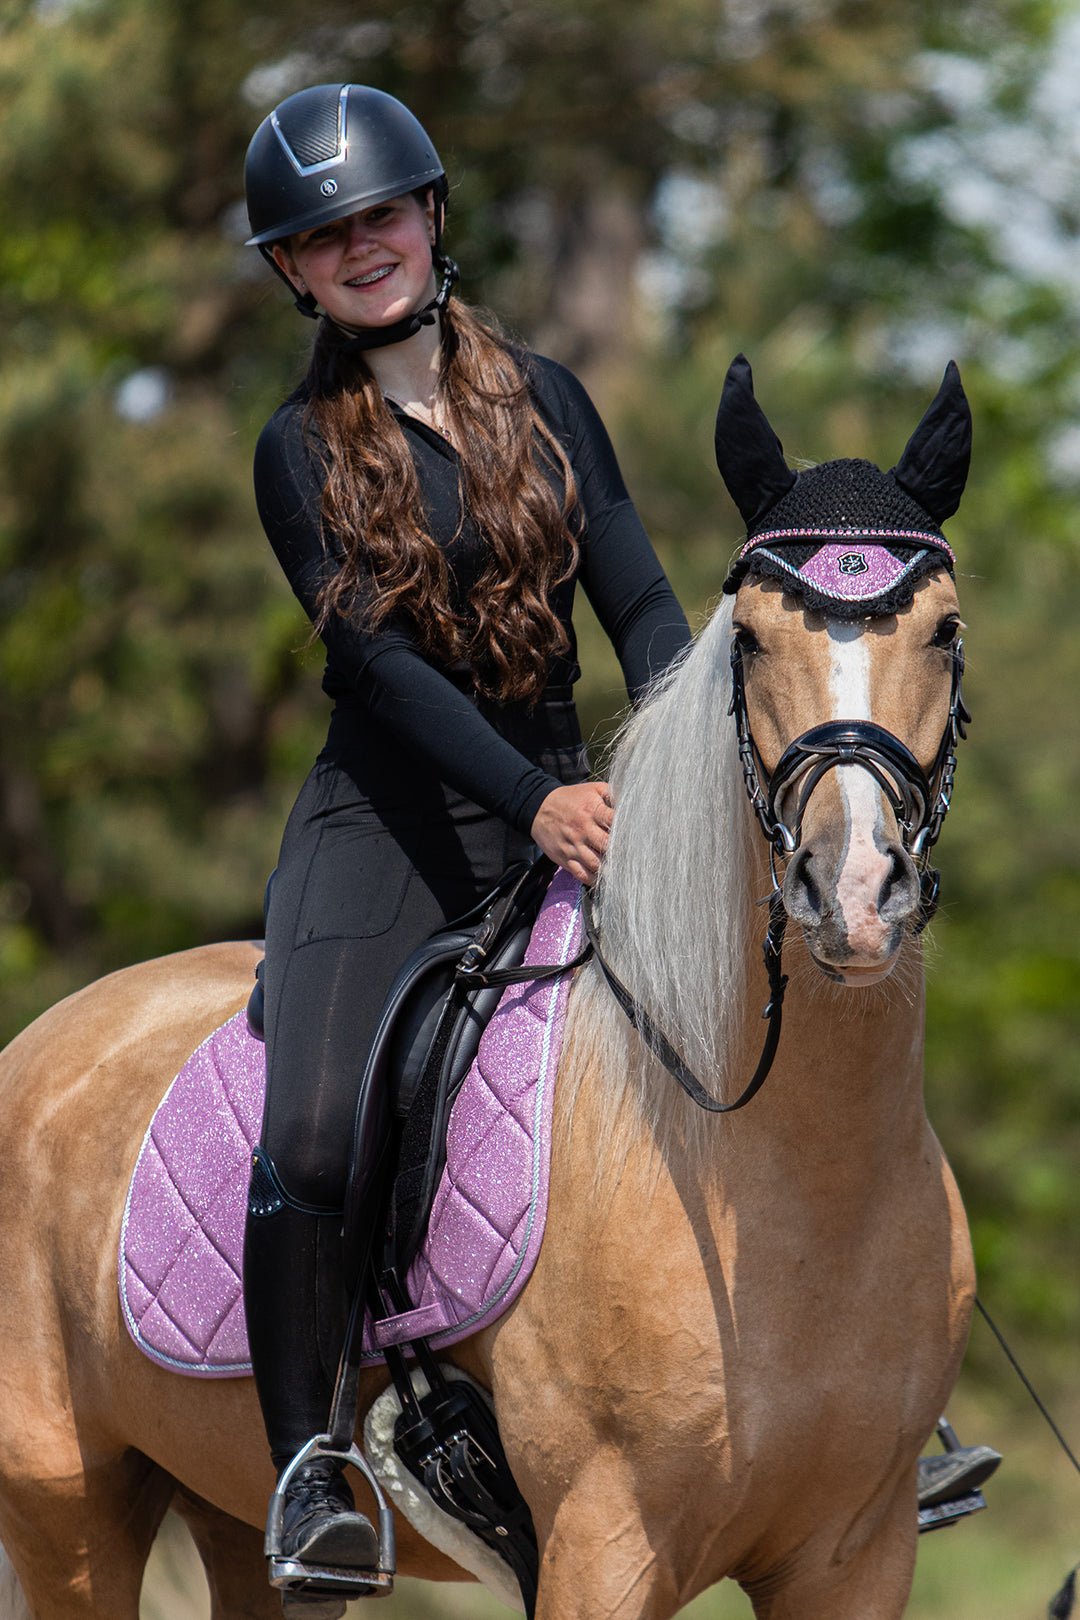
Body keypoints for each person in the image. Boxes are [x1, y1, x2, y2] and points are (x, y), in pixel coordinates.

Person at [241, 82, 693, 1579]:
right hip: (395, 821)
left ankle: (860, 1392)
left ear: (430, 215)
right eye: (324, 235)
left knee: (779, 1000)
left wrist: (687, 753)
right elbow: (373, 660)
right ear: (295, 272)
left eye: (379, 213)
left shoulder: (550, 396)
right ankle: (311, 1465)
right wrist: (531, 800)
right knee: (309, 1129)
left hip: (579, 793)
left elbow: (632, 594)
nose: (360, 246)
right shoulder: (298, 447)